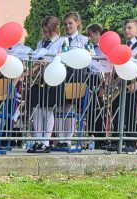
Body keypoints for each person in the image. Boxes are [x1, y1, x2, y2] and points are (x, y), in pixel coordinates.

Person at [112, 18, 137, 153]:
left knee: (131, 112)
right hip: (120, 81)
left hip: (133, 80)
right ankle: (116, 140)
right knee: (117, 111)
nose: (126, 30)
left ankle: (131, 142)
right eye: (125, 28)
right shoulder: (123, 46)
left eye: (130, 28)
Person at [52, 12, 90, 150]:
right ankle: (59, 138)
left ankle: (67, 139)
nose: (68, 26)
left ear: (77, 23)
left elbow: (91, 56)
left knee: (71, 107)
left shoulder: (84, 40)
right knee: (59, 107)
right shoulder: (60, 40)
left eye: (70, 23)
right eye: (65, 24)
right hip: (61, 74)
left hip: (76, 75)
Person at [26, 16, 63, 153]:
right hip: (38, 78)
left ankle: (46, 142)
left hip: (52, 77)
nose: (46, 34)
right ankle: (38, 140)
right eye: (45, 31)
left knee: (47, 109)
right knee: (36, 109)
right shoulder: (40, 43)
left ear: (55, 29)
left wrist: (44, 61)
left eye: (49, 31)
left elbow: (61, 57)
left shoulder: (62, 41)